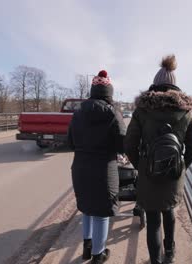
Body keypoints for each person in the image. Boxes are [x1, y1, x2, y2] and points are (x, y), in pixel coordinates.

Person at [124, 55, 192, 264]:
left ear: (155, 84)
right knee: (170, 212)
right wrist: (180, 167)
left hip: (149, 174)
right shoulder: (186, 112)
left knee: (154, 220)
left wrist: (141, 165)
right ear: (175, 85)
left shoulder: (142, 110)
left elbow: (129, 145)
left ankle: (155, 261)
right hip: (173, 174)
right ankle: (170, 253)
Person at [69, 70, 125, 263]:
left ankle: (87, 247)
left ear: (93, 90)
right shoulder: (113, 113)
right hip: (104, 169)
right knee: (102, 213)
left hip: (80, 168)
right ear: (109, 91)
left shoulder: (77, 112)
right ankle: (98, 255)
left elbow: (69, 142)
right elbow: (122, 144)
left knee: (87, 209)